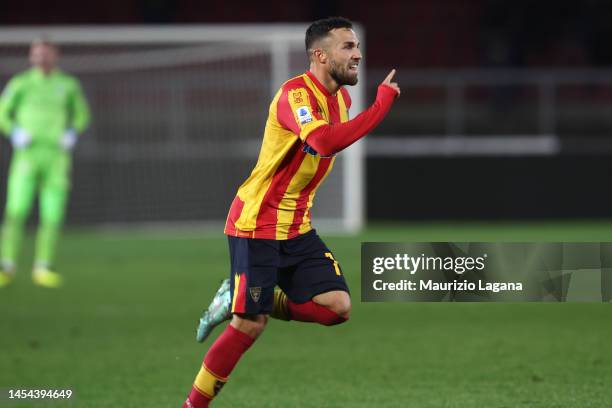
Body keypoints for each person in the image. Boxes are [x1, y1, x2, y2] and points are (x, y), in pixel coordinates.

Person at [183, 17, 400, 407]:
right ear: (320, 55)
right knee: (250, 323)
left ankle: (241, 292)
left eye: (356, 46)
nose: (358, 54)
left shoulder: (342, 99)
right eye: (347, 47)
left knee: (338, 308)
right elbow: (322, 141)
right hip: (257, 224)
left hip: (297, 226)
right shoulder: (294, 96)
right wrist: (380, 107)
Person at [0, 38, 90, 288]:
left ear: (55, 55)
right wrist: (13, 130)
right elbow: (2, 112)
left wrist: (72, 132)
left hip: (57, 158)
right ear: (31, 56)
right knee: (15, 211)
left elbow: (82, 114)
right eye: (36, 53)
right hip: (27, 156)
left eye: (45, 53)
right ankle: (6, 265)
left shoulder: (68, 85)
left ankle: (43, 267)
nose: (40, 58)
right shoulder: (21, 84)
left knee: (52, 214)